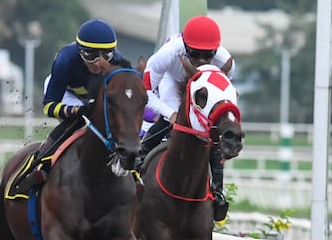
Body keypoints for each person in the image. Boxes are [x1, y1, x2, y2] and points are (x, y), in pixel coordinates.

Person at [12, 18, 132, 194]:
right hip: (67, 94)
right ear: (80, 51)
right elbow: (49, 106)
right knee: (78, 122)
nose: (99, 63)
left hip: (95, 98)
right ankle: (38, 165)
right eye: (91, 56)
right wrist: (75, 111)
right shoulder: (65, 59)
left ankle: (133, 171)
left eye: (106, 55)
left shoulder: (119, 63)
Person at [140, 14, 236, 220]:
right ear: (184, 46)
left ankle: (217, 191)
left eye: (207, 55)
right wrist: (170, 114)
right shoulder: (167, 54)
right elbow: (144, 92)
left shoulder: (225, 60)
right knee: (171, 118)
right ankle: (138, 162)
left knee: (212, 129)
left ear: (215, 51)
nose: (201, 60)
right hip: (171, 82)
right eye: (195, 54)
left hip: (201, 87)